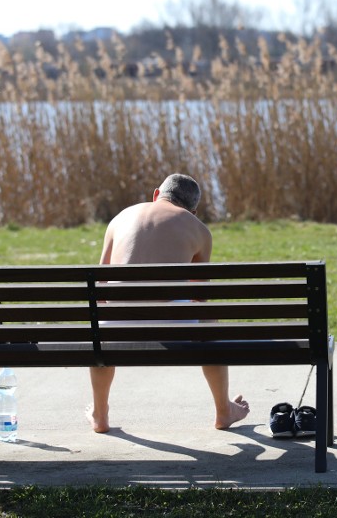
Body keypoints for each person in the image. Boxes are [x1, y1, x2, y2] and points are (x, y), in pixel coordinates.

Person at [87, 173, 250, 432]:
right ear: (194, 211)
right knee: (209, 320)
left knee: (101, 321)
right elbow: (200, 296)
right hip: (173, 323)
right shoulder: (198, 230)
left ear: (156, 195)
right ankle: (224, 410)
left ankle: (100, 415)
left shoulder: (120, 218)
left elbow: (100, 287)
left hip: (115, 324)